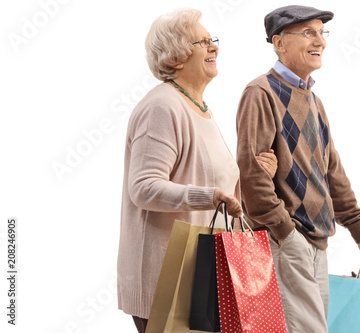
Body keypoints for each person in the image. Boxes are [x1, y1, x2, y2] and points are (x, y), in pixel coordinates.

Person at [116, 9, 276, 333]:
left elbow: (213, 180)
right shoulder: (163, 106)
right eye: (202, 41)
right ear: (175, 56)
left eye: (212, 40)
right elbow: (144, 187)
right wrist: (210, 196)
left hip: (201, 274)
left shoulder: (199, 107)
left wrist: (254, 176)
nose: (213, 48)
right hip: (167, 279)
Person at [236, 5, 360, 332]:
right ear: (279, 42)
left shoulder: (314, 102)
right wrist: (285, 233)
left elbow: (332, 174)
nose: (321, 41)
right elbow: (251, 175)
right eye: (308, 33)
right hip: (286, 240)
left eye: (322, 32)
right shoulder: (261, 93)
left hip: (316, 241)